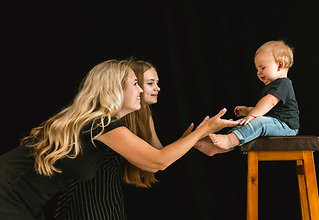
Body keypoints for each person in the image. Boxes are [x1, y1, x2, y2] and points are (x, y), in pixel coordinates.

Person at [0, 59, 240, 220]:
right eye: (135, 84)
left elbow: (156, 157)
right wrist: (204, 129)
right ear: (115, 89)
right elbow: (157, 161)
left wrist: (195, 139)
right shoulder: (100, 123)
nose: (140, 91)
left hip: (27, 201)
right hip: (8, 192)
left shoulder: (102, 122)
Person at [54, 60, 194, 219]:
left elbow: (159, 155)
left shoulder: (143, 115)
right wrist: (203, 130)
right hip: (88, 195)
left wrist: (187, 140)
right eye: (147, 83)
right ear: (119, 87)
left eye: (156, 82)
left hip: (109, 193)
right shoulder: (107, 121)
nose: (156, 88)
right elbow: (158, 162)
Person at [195, 40, 300, 156]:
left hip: (286, 127)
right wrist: (248, 110)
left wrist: (252, 114)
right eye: (257, 69)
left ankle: (229, 140)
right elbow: (267, 110)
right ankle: (215, 148)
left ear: (280, 65)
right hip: (274, 123)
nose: (259, 73)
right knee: (244, 124)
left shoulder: (283, 84)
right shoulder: (274, 85)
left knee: (258, 122)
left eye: (263, 68)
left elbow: (268, 103)